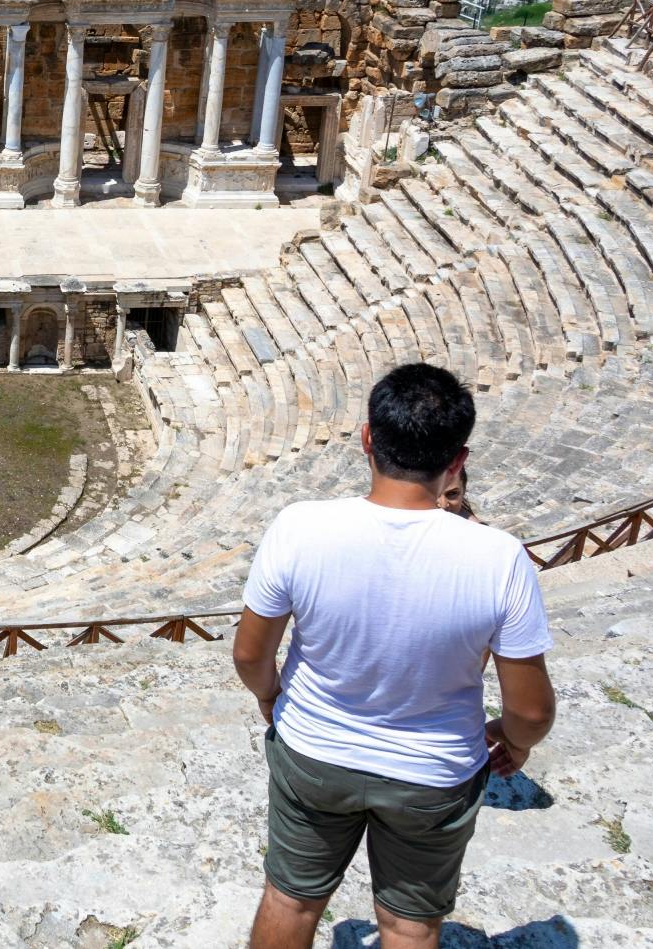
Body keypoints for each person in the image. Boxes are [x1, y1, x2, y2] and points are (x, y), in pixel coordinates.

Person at [234, 363, 556, 949]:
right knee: (409, 926)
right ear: (457, 459)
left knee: (291, 898)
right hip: (432, 773)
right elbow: (530, 712)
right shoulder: (501, 558)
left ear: (366, 439)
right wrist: (515, 744)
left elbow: (251, 653)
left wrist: (270, 697)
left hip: (313, 750)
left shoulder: (300, 527)